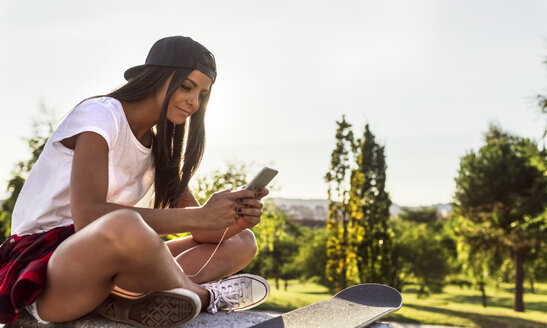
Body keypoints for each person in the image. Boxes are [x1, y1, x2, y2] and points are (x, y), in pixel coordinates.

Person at [0, 36, 271, 328]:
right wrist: (201, 215)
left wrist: (229, 219)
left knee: (241, 243)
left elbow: (200, 230)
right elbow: (88, 216)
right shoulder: (101, 114)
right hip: (48, 266)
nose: (194, 102)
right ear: (155, 77)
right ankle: (204, 296)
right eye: (186, 86)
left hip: (109, 271)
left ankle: (137, 301)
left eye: (203, 95)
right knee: (126, 225)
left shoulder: (158, 150)